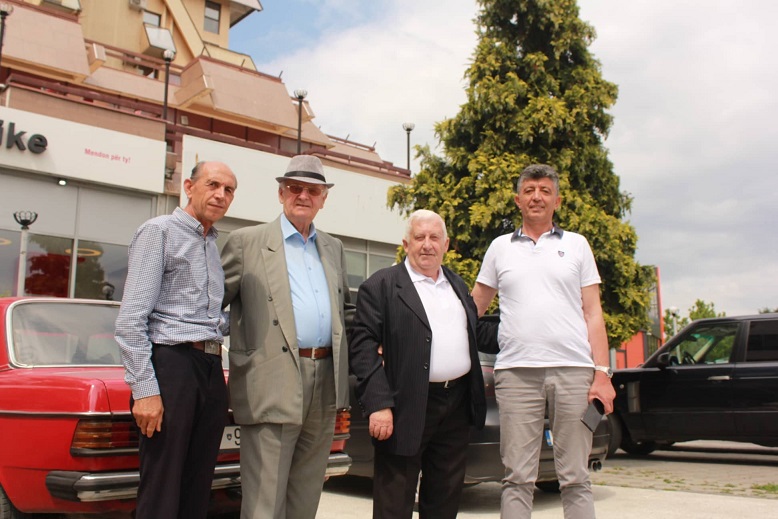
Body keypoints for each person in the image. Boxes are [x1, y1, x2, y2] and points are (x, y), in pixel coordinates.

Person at [471, 164, 616, 519]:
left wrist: (602, 374)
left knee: (576, 477)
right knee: (517, 478)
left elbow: (593, 313)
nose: (537, 197)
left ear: (557, 201)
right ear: (518, 200)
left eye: (545, 191)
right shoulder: (499, 248)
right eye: (530, 190)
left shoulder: (577, 245)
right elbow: (473, 308)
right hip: (515, 375)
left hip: (574, 373)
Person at [221, 155, 350, 519]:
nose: (303, 196)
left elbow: (345, 311)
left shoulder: (334, 248)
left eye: (313, 190)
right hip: (270, 382)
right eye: (295, 188)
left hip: (324, 382)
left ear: (324, 198)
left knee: (305, 498)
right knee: (265, 502)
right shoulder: (246, 242)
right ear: (281, 193)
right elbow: (210, 304)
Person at [349, 209, 497, 518]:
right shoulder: (381, 286)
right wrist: (379, 404)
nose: (427, 245)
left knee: (444, 500)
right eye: (419, 237)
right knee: (394, 501)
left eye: (434, 238)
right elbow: (362, 350)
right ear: (406, 244)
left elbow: (474, 332)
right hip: (404, 405)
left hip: (456, 407)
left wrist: (525, 328)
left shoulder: (456, 284)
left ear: (446, 244)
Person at [115, 161, 238, 518]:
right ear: (189, 186)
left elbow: (209, 318)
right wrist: (145, 390)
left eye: (229, 190)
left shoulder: (212, 245)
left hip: (211, 368)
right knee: (163, 486)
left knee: (198, 485)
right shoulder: (159, 232)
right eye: (212, 184)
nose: (220, 195)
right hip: (172, 366)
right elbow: (131, 319)